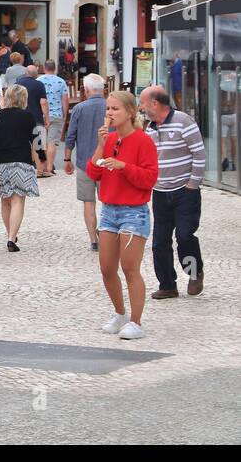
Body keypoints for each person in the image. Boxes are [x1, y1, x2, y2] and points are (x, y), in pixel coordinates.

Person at [88, 90, 159, 340]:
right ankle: (120, 313)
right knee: (107, 267)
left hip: (133, 212)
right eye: (108, 108)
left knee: (130, 268)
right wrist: (99, 145)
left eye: (115, 109)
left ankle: (137, 322)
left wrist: (124, 167)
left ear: (130, 112)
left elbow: (150, 178)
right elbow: (93, 172)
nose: (109, 113)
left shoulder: (143, 141)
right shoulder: (109, 139)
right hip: (109, 210)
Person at [139, 85, 207, 299]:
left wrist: (192, 185)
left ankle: (195, 273)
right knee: (159, 241)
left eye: (142, 102)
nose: (141, 107)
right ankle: (167, 285)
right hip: (160, 192)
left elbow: (199, 153)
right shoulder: (149, 127)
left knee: (185, 236)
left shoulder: (183, 121)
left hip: (184, 192)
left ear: (155, 104)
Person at [0, 84, 42, 252]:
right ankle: (12, 237)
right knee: (18, 200)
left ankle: (9, 234)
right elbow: (36, 138)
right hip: (22, 161)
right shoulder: (28, 116)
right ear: (23, 99)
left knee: (5, 201)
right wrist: (42, 157)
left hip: (1, 161)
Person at [65, 73, 109, 251]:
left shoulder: (79, 109)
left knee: (88, 202)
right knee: (108, 202)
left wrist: (67, 159)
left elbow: (70, 136)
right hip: (108, 163)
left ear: (86, 90)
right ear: (103, 89)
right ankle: (107, 235)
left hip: (85, 163)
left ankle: (94, 240)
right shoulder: (111, 108)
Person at [38, 60, 69, 176]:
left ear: (44, 68)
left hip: (41, 115)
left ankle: (44, 166)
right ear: (55, 69)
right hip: (56, 115)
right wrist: (64, 114)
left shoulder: (39, 81)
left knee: (43, 142)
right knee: (52, 142)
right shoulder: (61, 82)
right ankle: (50, 167)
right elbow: (65, 100)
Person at [19, 65, 50, 175]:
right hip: (36, 117)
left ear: (26, 73)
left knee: (23, 144)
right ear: (36, 74)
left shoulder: (18, 83)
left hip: (21, 118)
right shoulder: (39, 84)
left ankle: (24, 169)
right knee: (38, 144)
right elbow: (43, 102)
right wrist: (46, 118)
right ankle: (41, 170)